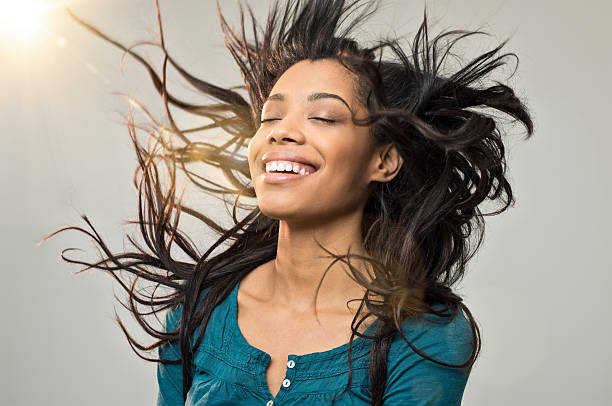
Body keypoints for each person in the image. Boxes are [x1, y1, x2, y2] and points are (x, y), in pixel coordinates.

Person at [43, 0, 534, 404]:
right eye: (269, 117)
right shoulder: (197, 310)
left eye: (323, 117)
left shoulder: (423, 336)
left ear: (383, 160)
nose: (282, 132)